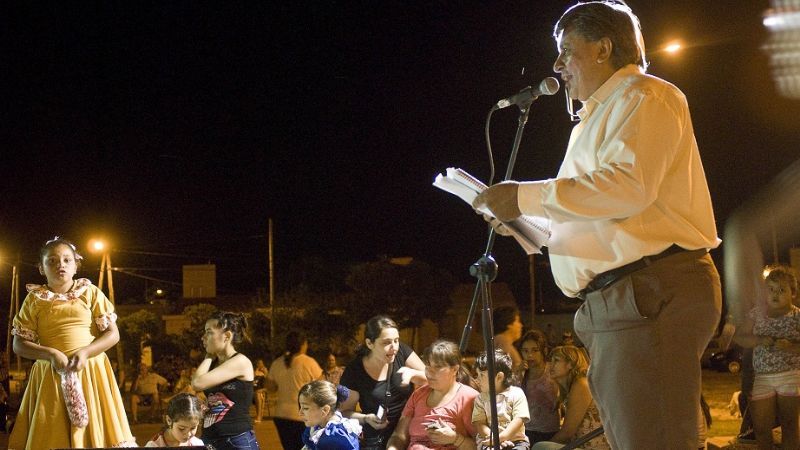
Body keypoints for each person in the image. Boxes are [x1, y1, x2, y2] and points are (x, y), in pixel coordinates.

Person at [473, 2, 722, 448]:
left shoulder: (646, 96)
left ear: (604, 47)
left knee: (654, 439)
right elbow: (598, 209)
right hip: (619, 301)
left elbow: (628, 186)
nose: (557, 64)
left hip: (647, 290)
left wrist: (523, 195)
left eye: (567, 49)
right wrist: (526, 223)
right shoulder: (594, 119)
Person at [9, 237, 136, 449]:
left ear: (76, 266)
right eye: (52, 261)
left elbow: (112, 334)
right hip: (50, 375)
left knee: (96, 435)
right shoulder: (34, 300)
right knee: (51, 433)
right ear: (41, 268)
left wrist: (86, 352)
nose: (61, 265)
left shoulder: (90, 293)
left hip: (90, 372)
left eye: (67, 260)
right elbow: (19, 345)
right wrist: (51, 354)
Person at [732, 265, 800, 450]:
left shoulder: (796, 316)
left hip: (790, 376)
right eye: (771, 289)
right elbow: (739, 337)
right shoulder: (757, 314)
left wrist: (791, 346)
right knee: (761, 427)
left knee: (790, 425)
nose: (775, 294)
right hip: (762, 378)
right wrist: (759, 340)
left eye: (782, 290)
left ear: (792, 293)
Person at [339, 315, 427, 450]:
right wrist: (366, 418)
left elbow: (432, 378)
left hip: (408, 433)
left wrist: (414, 374)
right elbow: (344, 412)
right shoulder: (354, 371)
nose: (394, 347)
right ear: (369, 343)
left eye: (396, 340)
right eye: (386, 343)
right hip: (377, 439)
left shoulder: (402, 351)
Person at [385, 339, 479, 450]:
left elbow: (483, 444)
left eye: (438, 367)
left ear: (454, 369)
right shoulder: (418, 395)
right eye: (428, 365)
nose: (430, 372)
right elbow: (399, 436)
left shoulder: (469, 398)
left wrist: (455, 439)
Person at [192, 311, 259, 450]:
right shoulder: (214, 363)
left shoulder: (240, 361)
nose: (203, 337)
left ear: (227, 336)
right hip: (211, 439)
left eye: (209, 332)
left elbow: (197, 383)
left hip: (236, 439)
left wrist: (208, 356)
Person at [531, 346, 609, 450]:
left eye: (556, 360)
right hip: (579, 444)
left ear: (570, 364)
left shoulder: (581, 384)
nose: (550, 365)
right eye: (551, 360)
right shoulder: (567, 387)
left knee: (539, 447)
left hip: (592, 446)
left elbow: (567, 432)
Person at [267, 330, 323, 450]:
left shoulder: (277, 363)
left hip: (281, 415)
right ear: (302, 344)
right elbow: (321, 388)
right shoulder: (309, 363)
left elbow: (270, 388)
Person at [472, 349, 530, 450]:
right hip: (489, 440)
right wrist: (494, 439)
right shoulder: (481, 399)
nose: (477, 379)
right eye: (477, 374)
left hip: (516, 441)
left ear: (499, 377)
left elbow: (518, 420)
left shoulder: (517, 393)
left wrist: (502, 438)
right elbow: (480, 423)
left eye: (482, 375)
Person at [518, 331, 559, 444]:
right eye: (525, 351)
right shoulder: (520, 373)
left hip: (550, 431)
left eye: (535, 350)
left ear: (544, 351)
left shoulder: (553, 370)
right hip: (525, 431)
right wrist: (516, 373)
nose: (530, 355)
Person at [299, 380, 362, 450]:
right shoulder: (318, 427)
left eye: (305, 408)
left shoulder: (335, 437)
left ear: (325, 410)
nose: (300, 412)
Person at [492, 306, 524, 378]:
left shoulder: (498, 342)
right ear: (508, 323)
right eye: (518, 321)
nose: (521, 325)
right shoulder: (503, 344)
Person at [253, 358, 269, 423]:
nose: (261, 365)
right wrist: (256, 371)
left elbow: (268, 382)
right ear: (256, 364)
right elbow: (252, 380)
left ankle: (259, 417)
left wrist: (265, 373)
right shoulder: (254, 371)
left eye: (261, 363)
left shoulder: (265, 371)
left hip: (261, 391)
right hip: (252, 390)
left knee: (258, 393)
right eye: (259, 363)